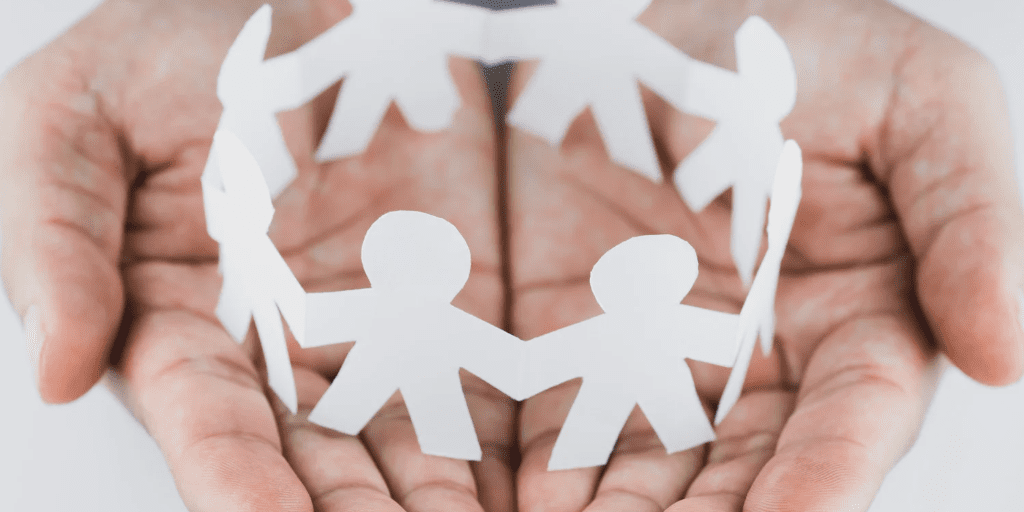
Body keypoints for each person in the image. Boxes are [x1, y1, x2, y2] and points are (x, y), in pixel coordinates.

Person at [1, 0, 1020, 511]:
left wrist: (269, 285)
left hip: (586, 373)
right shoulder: (444, 307)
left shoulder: (438, 307)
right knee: (420, 410)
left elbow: (362, 332)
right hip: (459, 368)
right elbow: (498, 358)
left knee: (604, 412)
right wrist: (263, 274)